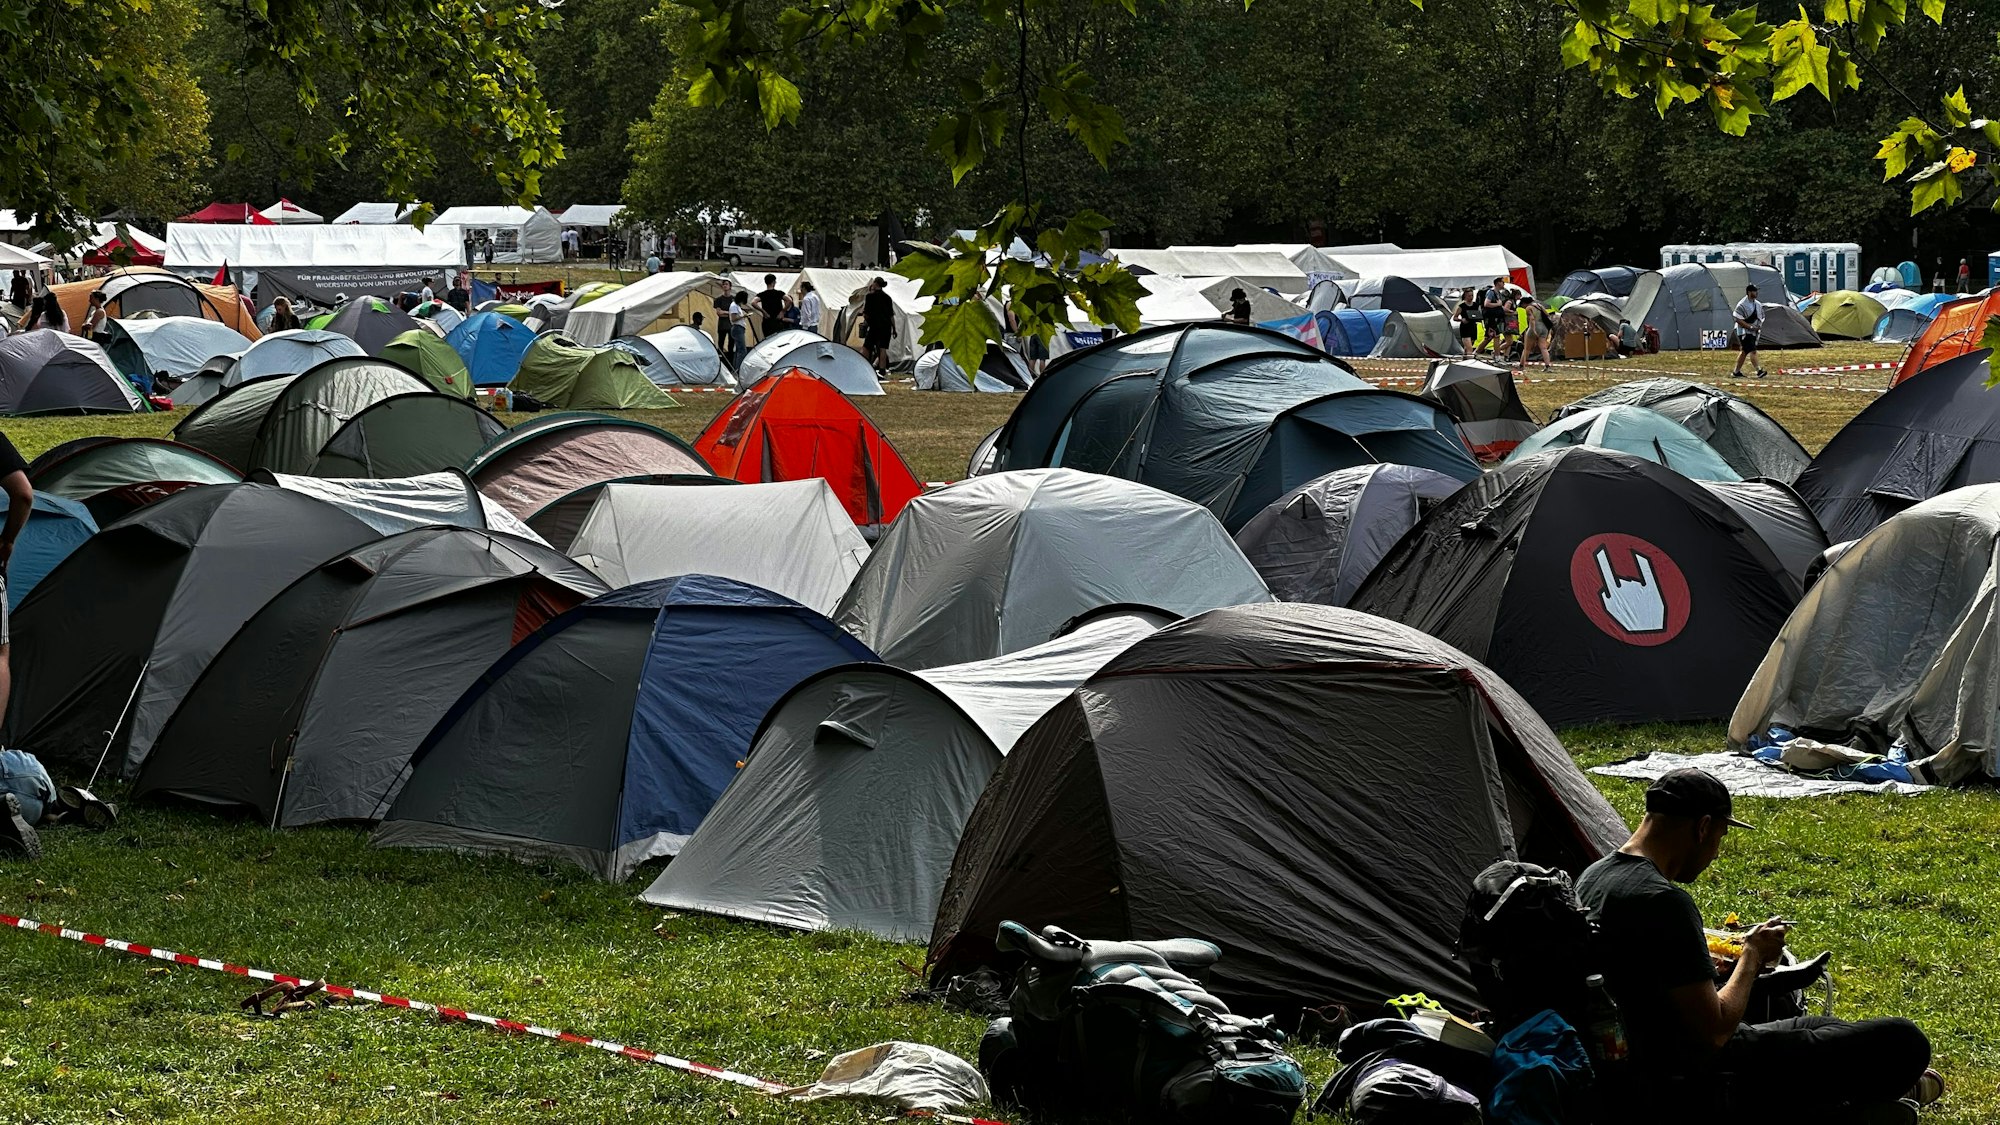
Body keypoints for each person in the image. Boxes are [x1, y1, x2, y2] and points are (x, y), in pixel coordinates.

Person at [1577, 769, 1940, 1121]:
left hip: (1640, 1059)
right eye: (1719, 838)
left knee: (1819, 1024)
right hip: (1700, 1073)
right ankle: (1851, 1105)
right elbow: (1715, 1031)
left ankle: (1863, 1099)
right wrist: (1750, 955)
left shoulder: (1595, 875)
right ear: (1703, 828)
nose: (1716, 853)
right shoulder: (1663, 900)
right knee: (1905, 1040)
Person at [1731, 283, 1767, 379]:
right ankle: (1759, 371)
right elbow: (1738, 319)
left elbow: (1762, 316)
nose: (1756, 293)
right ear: (1749, 292)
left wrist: (1758, 326)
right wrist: (1750, 327)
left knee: (1744, 351)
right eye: (1755, 291)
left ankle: (1736, 372)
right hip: (1743, 332)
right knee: (1753, 351)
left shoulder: (1758, 304)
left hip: (1753, 331)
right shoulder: (1742, 305)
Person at [861, 277, 896, 375]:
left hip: (874, 326)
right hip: (886, 327)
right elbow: (891, 315)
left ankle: (864, 365)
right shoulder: (888, 298)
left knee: (867, 346)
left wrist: (867, 322)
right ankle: (882, 369)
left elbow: (865, 313)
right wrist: (894, 328)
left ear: (875, 284)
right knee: (883, 348)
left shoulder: (869, 297)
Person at [1519, 293, 1555, 371]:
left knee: (1527, 348)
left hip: (1535, 327)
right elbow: (1547, 314)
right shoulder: (1539, 305)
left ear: (1524, 303)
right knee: (1543, 348)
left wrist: (1533, 330)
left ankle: (1521, 365)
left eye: (1522, 306)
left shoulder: (1528, 308)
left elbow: (1532, 319)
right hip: (1544, 328)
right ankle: (1547, 366)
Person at [756, 274, 793, 339]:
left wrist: (763, 312)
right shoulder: (779, 293)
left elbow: (753, 302)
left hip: (767, 322)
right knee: (778, 340)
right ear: (773, 282)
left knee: (768, 340)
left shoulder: (762, 294)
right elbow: (789, 300)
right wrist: (782, 311)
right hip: (777, 321)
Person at [1479, 278, 1509, 358]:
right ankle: (1497, 356)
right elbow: (1486, 304)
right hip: (1490, 318)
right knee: (1496, 336)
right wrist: (1497, 305)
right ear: (1498, 283)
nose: (1504, 284)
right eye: (1503, 282)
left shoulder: (1498, 293)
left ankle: (1476, 352)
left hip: (1495, 318)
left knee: (1488, 337)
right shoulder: (1491, 292)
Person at [713, 292, 737, 369]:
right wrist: (729, 313)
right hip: (722, 326)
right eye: (724, 284)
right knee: (720, 345)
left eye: (726, 284)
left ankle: (730, 365)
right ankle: (720, 364)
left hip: (731, 325)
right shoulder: (719, 299)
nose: (725, 286)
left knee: (731, 346)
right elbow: (719, 313)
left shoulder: (734, 299)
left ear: (730, 287)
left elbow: (735, 313)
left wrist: (724, 312)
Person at [1455, 288, 1481, 353]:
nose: (1471, 297)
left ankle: (1464, 359)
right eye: (1469, 296)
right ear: (1465, 296)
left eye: (1472, 295)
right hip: (1465, 328)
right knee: (1470, 348)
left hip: (1473, 326)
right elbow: (1455, 317)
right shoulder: (1462, 306)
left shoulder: (1476, 305)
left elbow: (1478, 314)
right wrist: (1461, 320)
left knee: (1467, 347)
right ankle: (1470, 359)